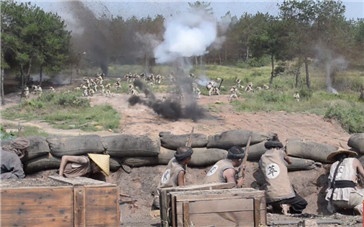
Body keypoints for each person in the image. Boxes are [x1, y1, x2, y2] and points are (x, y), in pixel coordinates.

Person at [259, 140, 307, 215]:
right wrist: (288, 161)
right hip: (286, 194)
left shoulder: (262, 157)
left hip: (270, 197)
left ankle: (278, 207)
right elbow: (289, 160)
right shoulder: (279, 153)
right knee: (302, 203)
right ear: (278, 147)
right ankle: (291, 212)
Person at [325, 147, 364, 215]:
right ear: (348, 155)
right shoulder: (354, 160)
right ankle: (360, 207)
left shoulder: (333, 165)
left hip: (333, 200)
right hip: (350, 198)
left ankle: (337, 209)